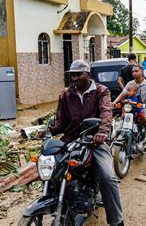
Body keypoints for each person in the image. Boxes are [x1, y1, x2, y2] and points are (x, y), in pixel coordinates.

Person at [45, 60, 124, 226]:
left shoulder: (101, 91)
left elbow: (106, 113)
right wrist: (50, 130)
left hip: (94, 141)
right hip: (71, 140)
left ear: (88, 74)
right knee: (52, 168)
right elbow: (61, 123)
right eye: (72, 74)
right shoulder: (65, 95)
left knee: (108, 178)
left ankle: (117, 221)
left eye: (79, 74)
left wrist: (102, 132)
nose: (75, 77)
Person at [113, 65, 146, 163]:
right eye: (132, 71)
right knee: (120, 125)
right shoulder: (130, 84)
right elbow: (122, 94)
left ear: (141, 72)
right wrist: (114, 103)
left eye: (136, 71)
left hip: (143, 109)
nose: (133, 73)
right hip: (130, 110)